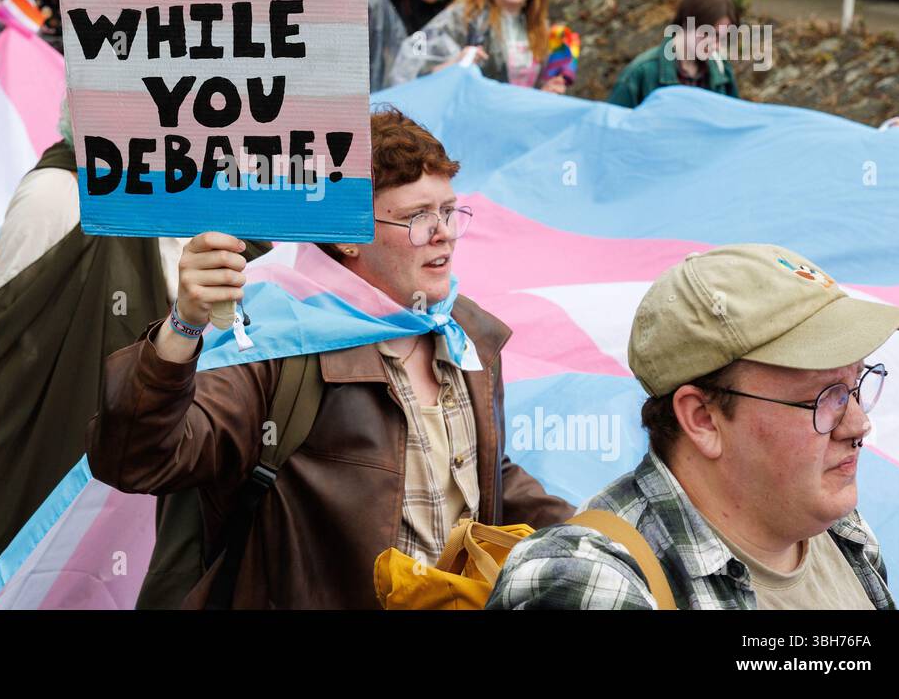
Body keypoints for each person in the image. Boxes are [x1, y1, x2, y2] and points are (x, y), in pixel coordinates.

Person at [87, 108, 575, 608]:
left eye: (449, 212)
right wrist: (184, 326)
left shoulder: (463, 329)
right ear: (347, 235)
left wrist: (592, 537)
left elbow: (482, 472)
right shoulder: (273, 339)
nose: (443, 232)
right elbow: (138, 458)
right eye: (416, 218)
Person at [0, 98, 253, 606]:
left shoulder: (214, 193)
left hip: (165, 460)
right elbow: (3, 367)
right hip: (70, 466)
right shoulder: (58, 196)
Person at [488, 244, 899, 609]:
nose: (859, 424)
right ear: (703, 419)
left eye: (856, 385)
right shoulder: (589, 582)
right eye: (825, 397)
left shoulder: (843, 533)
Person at [389, 0, 576, 93]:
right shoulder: (466, 17)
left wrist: (546, 91)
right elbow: (410, 67)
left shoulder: (540, 27)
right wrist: (455, 63)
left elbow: (530, 91)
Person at [607, 0, 740, 107]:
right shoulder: (640, 74)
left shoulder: (723, 72)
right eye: (708, 34)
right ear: (686, 23)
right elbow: (613, 127)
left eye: (723, 38)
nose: (716, 46)